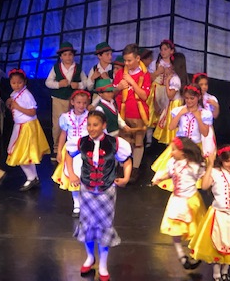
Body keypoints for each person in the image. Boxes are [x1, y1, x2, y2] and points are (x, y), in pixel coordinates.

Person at [67, 110, 132, 281]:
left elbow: (126, 160)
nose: (91, 128)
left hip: (106, 191)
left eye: (95, 125)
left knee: (104, 228)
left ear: (104, 125)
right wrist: (72, 174)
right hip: (87, 190)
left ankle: (103, 265)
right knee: (87, 226)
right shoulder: (81, 142)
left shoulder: (115, 143)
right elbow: (68, 154)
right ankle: (90, 257)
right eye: (89, 125)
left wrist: (126, 178)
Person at [189, 145, 230, 281]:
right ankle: (216, 273)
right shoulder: (215, 173)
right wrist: (210, 165)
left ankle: (225, 271)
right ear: (222, 161)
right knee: (218, 243)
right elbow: (204, 186)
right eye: (227, 161)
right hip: (219, 214)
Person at [152, 137, 206, 271]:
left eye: (174, 150)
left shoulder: (194, 166)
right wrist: (160, 178)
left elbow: (204, 177)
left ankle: (196, 252)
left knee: (194, 228)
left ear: (183, 152)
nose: (171, 152)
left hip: (191, 200)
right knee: (175, 229)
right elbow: (170, 174)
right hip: (176, 200)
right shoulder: (172, 163)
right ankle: (181, 255)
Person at [151, 84, 213, 192]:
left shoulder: (205, 113)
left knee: (190, 173)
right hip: (180, 145)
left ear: (198, 97)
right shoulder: (178, 110)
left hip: (194, 146)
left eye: (192, 98)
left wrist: (198, 118)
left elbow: (205, 133)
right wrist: (180, 114)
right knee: (176, 170)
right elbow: (171, 127)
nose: (189, 101)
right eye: (187, 98)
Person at [5, 68, 50, 191]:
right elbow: (13, 108)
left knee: (20, 154)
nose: (16, 85)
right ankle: (33, 177)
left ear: (24, 82)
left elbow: (32, 112)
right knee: (22, 154)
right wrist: (10, 104)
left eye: (19, 82)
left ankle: (31, 178)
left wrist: (17, 106)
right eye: (13, 83)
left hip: (27, 126)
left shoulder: (27, 95)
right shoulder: (14, 93)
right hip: (19, 125)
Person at [114, 43, 151, 183]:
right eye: (125, 60)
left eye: (129, 60)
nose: (126, 63)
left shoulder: (145, 75)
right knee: (124, 142)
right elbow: (112, 93)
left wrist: (132, 83)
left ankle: (135, 169)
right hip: (123, 114)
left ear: (137, 58)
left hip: (138, 114)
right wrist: (118, 87)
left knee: (138, 142)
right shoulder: (120, 74)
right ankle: (123, 167)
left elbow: (144, 96)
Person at [51, 89, 90, 216]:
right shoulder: (66, 117)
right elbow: (63, 134)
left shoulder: (90, 116)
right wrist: (58, 151)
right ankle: (77, 204)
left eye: (84, 103)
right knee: (73, 176)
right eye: (78, 102)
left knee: (86, 177)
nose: (81, 105)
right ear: (72, 102)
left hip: (86, 149)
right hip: (71, 151)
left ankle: (87, 202)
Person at [45, 41, 87, 158]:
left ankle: (74, 146)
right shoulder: (56, 68)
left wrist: (78, 85)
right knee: (58, 124)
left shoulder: (78, 68)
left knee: (75, 122)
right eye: (65, 55)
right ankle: (56, 148)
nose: (68, 57)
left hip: (75, 101)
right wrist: (59, 84)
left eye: (70, 54)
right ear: (61, 57)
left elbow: (86, 82)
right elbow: (48, 82)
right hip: (58, 99)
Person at [153, 52, 189, 145]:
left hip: (175, 105)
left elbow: (170, 95)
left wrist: (167, 82)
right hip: (178, 103)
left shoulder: (175, 79)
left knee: (172, 128)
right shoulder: (181, 77)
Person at [147, 40, 177, 146]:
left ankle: (162, 140)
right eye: (161, 49)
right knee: (151, 113)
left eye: (165, 49)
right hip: (155, 89)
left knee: (164, 115)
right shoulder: (155, 63)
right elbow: (148, 79)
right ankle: (149, 140)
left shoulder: (174, 65)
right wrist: (157, 72)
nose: (163, 52)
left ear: (171, 51)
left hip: (167, 91)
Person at [193, 72, 219, 157]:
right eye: (201, 84)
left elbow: (215, 116)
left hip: (207, 129)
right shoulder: (192, 98)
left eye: (206, 84)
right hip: (195, 128)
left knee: (208, 152)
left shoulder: (211, 98)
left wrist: (216, 106)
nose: (204, 87)